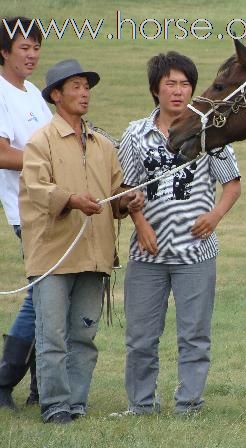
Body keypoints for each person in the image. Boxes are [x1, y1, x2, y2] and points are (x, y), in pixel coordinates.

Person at [117, 51, 241, 415]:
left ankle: (189, 404)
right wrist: (139, 223)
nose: (178, 91)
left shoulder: (208, 129)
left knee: (194, 335)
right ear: (155, 89)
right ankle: (141, 405)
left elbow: (232, 185)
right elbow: (127, 190)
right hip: (147, 254)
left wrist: (215, 216)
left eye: (185, 83)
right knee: (140, 337)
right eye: (170, 83)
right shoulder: (135, 134)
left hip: (196, 252)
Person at [19, 59, 142, 423]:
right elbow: (37, 190)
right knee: (52, 336)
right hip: (52, 255)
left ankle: (76, 403)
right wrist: (71, 200)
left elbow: (117, 192)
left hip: (95, 254)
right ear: (56, 95)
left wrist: (128, 199)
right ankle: (55, 406)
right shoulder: (40, 142)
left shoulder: (104, 144)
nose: (84, 93)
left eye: (86, 87)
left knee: (83, 336)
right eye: (75, 86)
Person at [0, 16, 51, 410]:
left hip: (51, 205)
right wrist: (48, 167)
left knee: (51, 295)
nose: (32, 55)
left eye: (36, 47)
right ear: (4, 51)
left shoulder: (32, 91)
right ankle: (4, 381)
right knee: (41, 296)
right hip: (27, 211)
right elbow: (1, 153)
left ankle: (41, 388)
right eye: (24, 48)